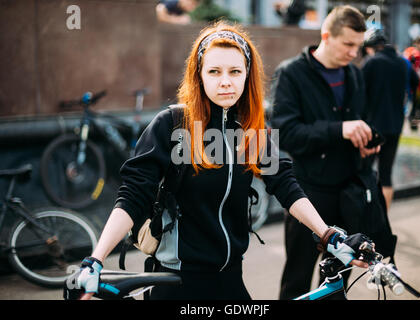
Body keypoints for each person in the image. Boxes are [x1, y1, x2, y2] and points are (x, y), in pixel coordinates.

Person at [74, 21, 370, 300]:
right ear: (199, 75)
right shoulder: (173, 125)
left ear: (247, 75)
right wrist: (95, 260)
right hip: (177, 280)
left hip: (230, 278)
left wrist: (328, 234)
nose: (226, 82)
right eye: (214, 72)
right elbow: (132, 195)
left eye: (235, 72)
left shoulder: (250, 129)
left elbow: (286, 185)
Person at [270, 5, 380, 300]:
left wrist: (365, 140)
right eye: (348, 44)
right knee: (297, 277)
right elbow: (286, 133)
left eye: (358, 46)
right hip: (307, 194)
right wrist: (339, 129)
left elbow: (360, 119)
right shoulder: (291, 73)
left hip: (348, 193)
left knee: (338, 280)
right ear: (326, 36)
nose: (354, 53)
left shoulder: (355, 76)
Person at [361, 28, 408, 210]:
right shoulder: (402, 63)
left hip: (373, 127)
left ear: (372, 47)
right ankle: (384, 218)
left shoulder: (371, 62)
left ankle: (365, 214)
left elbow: (359, 92)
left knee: (364, 171)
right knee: (386, 173)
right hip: (395, 125)